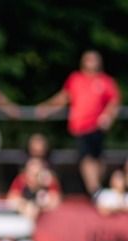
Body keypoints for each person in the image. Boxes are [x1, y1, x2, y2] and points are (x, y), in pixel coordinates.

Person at [37, 50, 121, 196]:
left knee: (97, 158)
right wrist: (47, 108)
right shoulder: (75, 79)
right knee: (86, 159)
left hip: (97, 127)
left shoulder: (105, 81)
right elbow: (64, 97)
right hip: (81, 127)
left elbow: (114, 101)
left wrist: (108, 116)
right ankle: (95, 191)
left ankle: (97, 188)